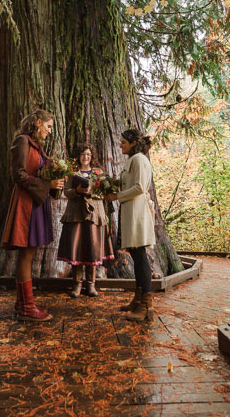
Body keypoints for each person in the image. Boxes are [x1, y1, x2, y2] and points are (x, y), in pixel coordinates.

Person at [1, 109, 65, 321]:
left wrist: (55, 181)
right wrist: (48, 184)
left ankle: (21, 304)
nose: (49, 131)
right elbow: (18, 174)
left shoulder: (39, 148)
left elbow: (40, 173)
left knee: (30, 253)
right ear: (38, 123)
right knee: (26, 254)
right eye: (48, 126)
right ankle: (28, 308)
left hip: (37, 204)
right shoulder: (23, 141)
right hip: (26, 204)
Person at [106, 129, 156, 322]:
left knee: (140, 256)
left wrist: (116, 196)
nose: (120, 145)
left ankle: (146, 305)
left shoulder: (139, 160)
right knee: (136, 255)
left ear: (134, 142)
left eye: (123, 142)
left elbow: (140, 187)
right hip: (131, 212)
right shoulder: (133, 160)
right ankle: (138, 298)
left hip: (138, 213)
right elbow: (128, 185)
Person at [57, 143, 115, 297]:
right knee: (77, 249)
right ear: (78, 156)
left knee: (92, 249)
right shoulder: (72, 173)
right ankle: (77, 285)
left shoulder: (98, 173)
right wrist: (77, 190)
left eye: (88, 154)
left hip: (94, 215)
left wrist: (90, 191)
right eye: (83, 154)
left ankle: (91, 284)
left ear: (92, 156)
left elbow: (104, 194)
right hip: (76, 214)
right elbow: (66, 192)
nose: (86, 157)